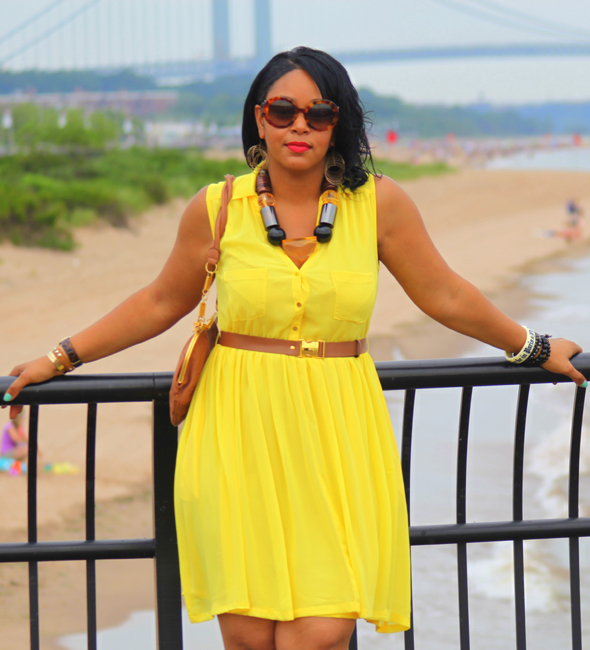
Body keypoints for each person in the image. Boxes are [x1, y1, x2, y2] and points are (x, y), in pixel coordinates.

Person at [2, 47, 587, 650]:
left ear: (341, 122)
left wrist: (534, 346)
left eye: (319, 112)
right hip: (236, 429)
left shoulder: (378, 204)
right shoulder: (218, 206)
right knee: (251, 637)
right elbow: (158, 302)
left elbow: (444, 293)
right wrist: (59, 357)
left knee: (322, 630)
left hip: (337, 430)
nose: (300, 125)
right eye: (282, 111)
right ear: (260, 119)